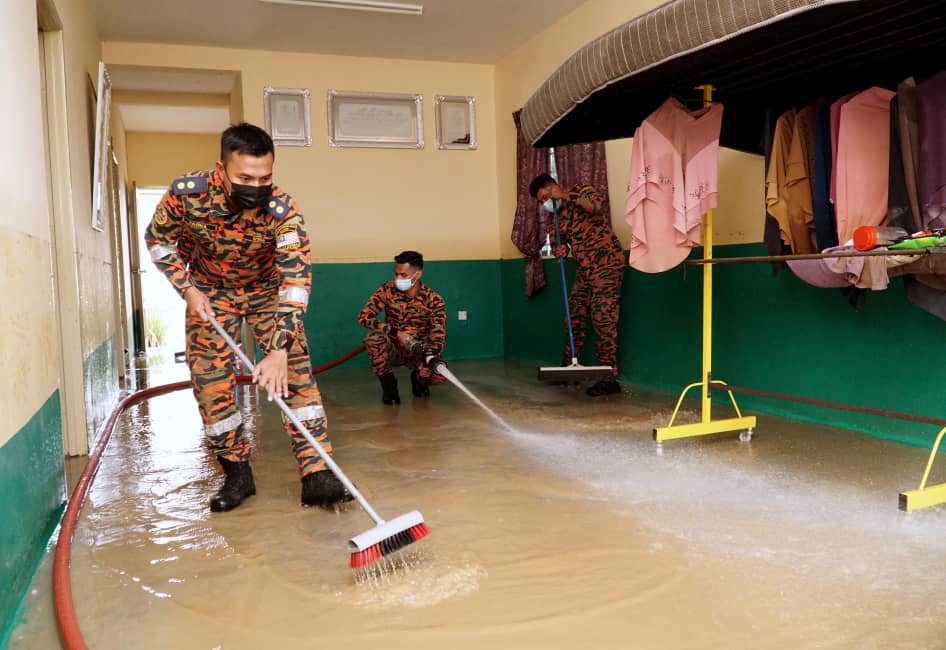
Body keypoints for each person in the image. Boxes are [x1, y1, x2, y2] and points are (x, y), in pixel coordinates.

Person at [145, 123, 352, 512]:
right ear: (221, 169)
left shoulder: (282, 210)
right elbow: (158, 241)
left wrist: (278, 350)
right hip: (209, 291)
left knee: (298, 378)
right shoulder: (187, 195)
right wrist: (186, 289)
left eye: (265, 177)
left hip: (266, 291)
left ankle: (316, 475)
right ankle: (237, 473)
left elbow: (295, 278)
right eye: (245, 177)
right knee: (211, 384)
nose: (256, 186)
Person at [529, 173, 624, 396]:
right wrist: (562, 250)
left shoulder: (582, 190)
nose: (544, 203)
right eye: (540, 202)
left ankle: (608, 377)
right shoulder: (555, 219)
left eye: (545, 197)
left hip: (607, 264)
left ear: (553, 188)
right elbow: (560, 244)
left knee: (603, 319)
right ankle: (569, 367)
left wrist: (566, 195)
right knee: (573, 316)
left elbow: (597, 207)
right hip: (585, 270)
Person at [358, 251, 446, 405]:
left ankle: (418, 379)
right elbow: (364, 317)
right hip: (394, 350)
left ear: (417, 275)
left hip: (418, 351)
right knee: (373, 339)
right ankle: (390, 389)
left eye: (403, 275)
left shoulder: (434, 300)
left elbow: (438, 337)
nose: (398, 279)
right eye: (396, 274)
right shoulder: (387, 290)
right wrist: (395, 332)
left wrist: (426, 362)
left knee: (438, 374)